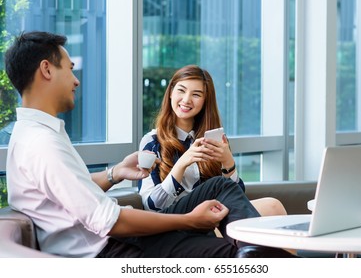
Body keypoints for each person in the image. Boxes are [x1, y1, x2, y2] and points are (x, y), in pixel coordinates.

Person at [5, 31, 296, 258]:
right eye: (70, 69)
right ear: (46, 69)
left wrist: (115, 173)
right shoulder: (43, 144)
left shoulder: (39, 135)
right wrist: (189, 221)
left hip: (119, 239)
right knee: (248, 255)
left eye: (197, 95)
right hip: (112, 249)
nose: (76, 80)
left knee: (224, 190)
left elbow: (70, 190)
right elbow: (111, 221)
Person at [138, 65, 287, 219]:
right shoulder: (152, 141)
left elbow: (237, 198)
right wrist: (182, 164)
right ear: (170, 93)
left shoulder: (213, 139)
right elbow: (151, 206)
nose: (187, 99)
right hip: (177, 220)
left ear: (205, 101)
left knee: (273, 206)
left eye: (196, 94)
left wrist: (228, 162)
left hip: (214, 214)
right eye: (181, 90)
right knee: (221, 191)